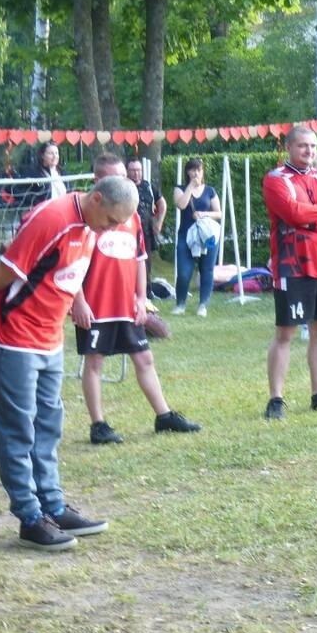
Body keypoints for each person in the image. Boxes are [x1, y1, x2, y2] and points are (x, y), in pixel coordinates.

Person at [0, 175, 139, 551]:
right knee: (18, 429)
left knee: (48, 425)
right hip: (14, 337)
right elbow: (6, 272)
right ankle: (29, 517)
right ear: (96, 199)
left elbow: (68, 273)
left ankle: (52, 506)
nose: (112, 229)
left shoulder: (90, 227)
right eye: (111, 221)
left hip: (51, 339)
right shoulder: (52, 218)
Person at [74, 154, 201, 445]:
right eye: (115, 177)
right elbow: (71, 262)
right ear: (98, 182)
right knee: (94, 362)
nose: (123, 182)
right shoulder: (86, 216)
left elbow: (140, 258)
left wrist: (141, 298)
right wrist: (78, 301)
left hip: (126, 304)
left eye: (124, 177)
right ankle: (98, 425)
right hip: (96, 305)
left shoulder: (130, 214)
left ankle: (164, 416)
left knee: (144, 357)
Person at [262, 126, 317, 419]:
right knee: (285, 331)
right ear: (289, 147)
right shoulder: (276, 179)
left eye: (313, 146)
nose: (309, 151)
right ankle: (276, 399)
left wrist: (310, 219)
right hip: (291, 263)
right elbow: (291, 213)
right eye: (302, 146)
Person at [172, 157, 222, 317]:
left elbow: (219, 213)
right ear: (187, 172)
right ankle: (180, 304)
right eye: (193, 169)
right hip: (186, 235)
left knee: (207, 270)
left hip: (207, 235)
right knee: (184, 272)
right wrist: (190, 187)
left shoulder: (210, 191)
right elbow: (181, 205)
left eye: (199, 170)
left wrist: (204, 214)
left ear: (203, 172)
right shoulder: (180, 189)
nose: (196, 173)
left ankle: (203, 305)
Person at [127, 157, 167, 293]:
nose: (136, 173)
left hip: (146, 231)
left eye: (138, 170)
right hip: (127, 230)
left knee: (145, 262)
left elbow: (162, 204)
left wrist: (159, 222)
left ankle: (146, 292)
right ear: (127, 171)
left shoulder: (148, 187)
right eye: (132, 170)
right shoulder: (123, 186)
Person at [18, 142, 68, 210]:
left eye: (56, 153)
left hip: (64, 209)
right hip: (44, 210)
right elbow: (18, 190)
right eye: (51, 153)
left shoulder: (63, 173)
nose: (55, 156)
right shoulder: (34, 173)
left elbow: (70, 192)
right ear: (42, 156)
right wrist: (36, 202)